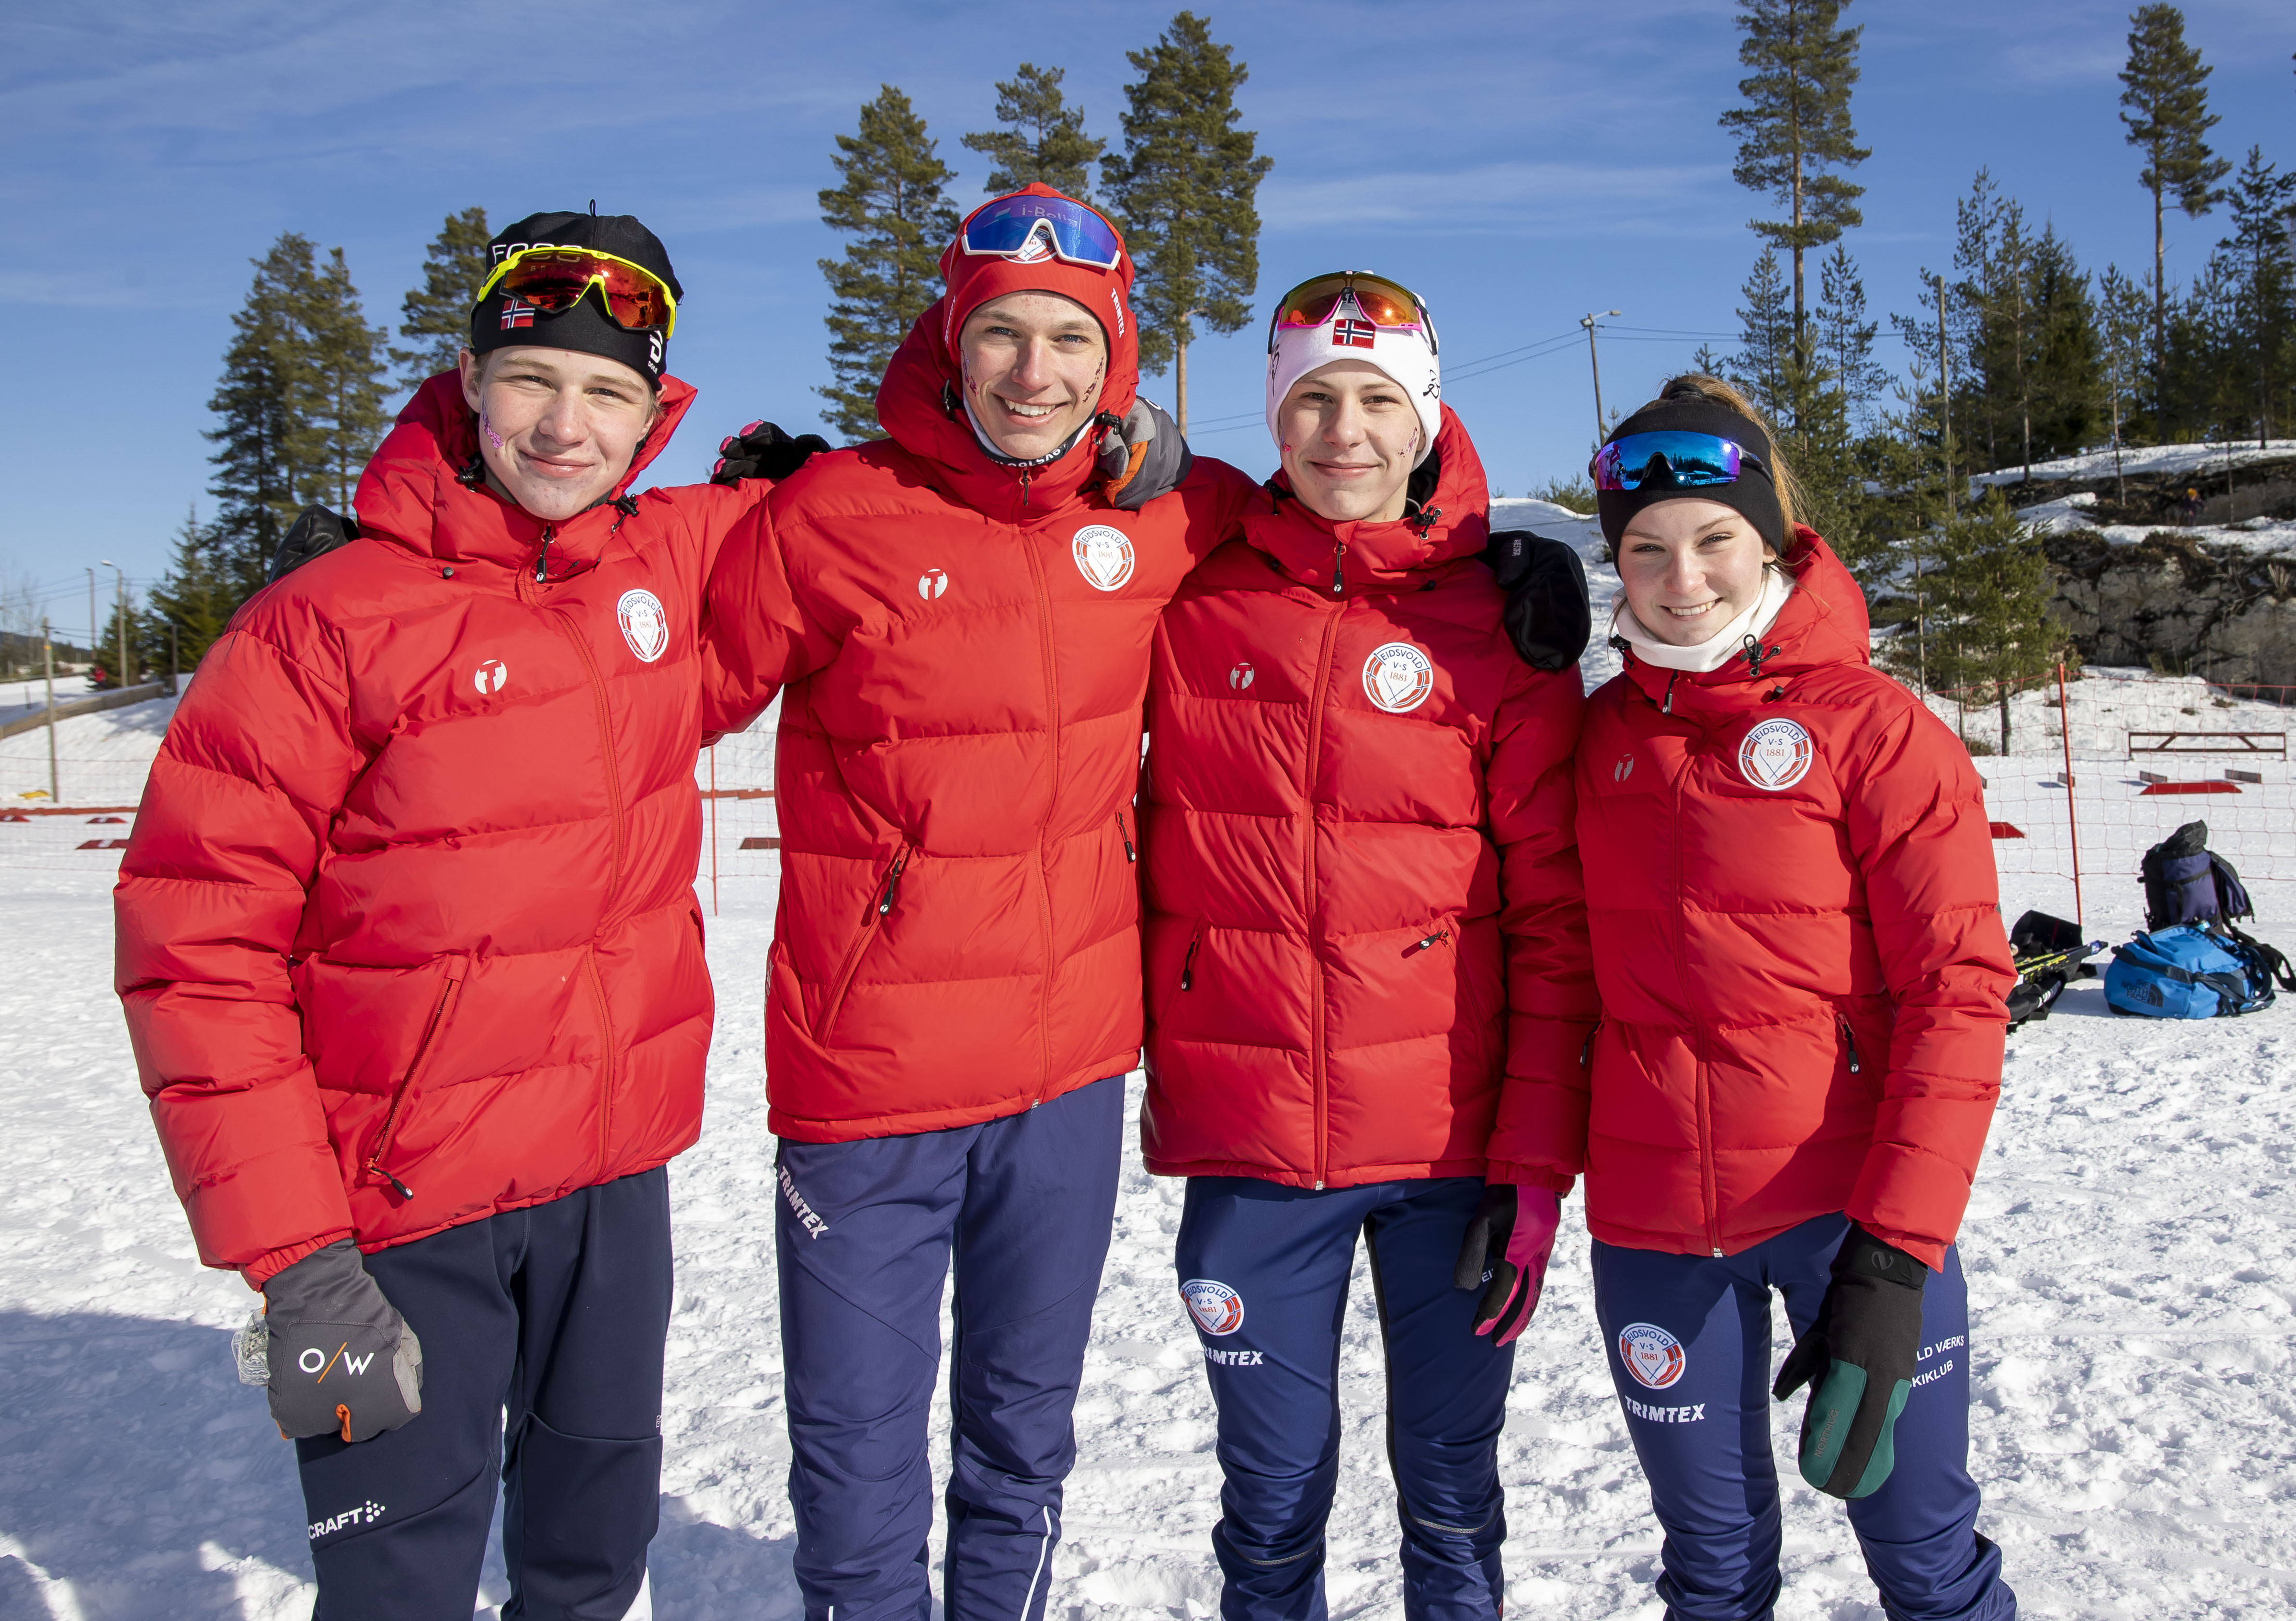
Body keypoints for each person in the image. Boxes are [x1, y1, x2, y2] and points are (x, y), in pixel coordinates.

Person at [116, 210, 806, 1620]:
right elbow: (196, 952)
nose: (566, 425)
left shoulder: (655, 581)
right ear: (470, 376)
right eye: (532, 378)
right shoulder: (321, 621)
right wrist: (293, 1258)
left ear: (655, 413)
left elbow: (885, 506)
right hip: (387, 1215)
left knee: (593, 1554)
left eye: (608, 391)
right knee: (392, 1572)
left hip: (615, 1194)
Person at [701, 183, 1253, 1621]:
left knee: (1024, 1431)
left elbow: (1349, 528)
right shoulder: (834, 514)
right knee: (859, 1447)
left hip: (1067, 1073)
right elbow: (651, 680)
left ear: (1114, 361)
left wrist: (1492, 552)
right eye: (1002, 334)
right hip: (868, 1078)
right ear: (951, 342)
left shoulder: (1168, 517)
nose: (1033, 373)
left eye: (1071, 342)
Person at [1487, 375, 2018, 1620]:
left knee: (1927, 1562)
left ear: (1771, 538)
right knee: (1710, 1575)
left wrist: (1891, 1262)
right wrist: (1526, 1177)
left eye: (1715, 539)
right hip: (1656, 1230)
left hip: (1852, 1220)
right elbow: (1556, 971)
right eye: (1646, 550)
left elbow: (1960, 995)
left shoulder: (1877, 732)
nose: (1684, 580)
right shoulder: (1599, 738)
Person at [1137, 270, 1596, 1620]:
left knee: (1451, 1497)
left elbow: (1558, 924)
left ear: (1428, 420)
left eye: (1379, 401)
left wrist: (1533, 1165)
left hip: (1451, 1157)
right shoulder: (1196, 589)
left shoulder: (1502, 626)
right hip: (1252, 1146)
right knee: (1268, 1506)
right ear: (1275, 419)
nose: (1346, 432)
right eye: (1315, 401)